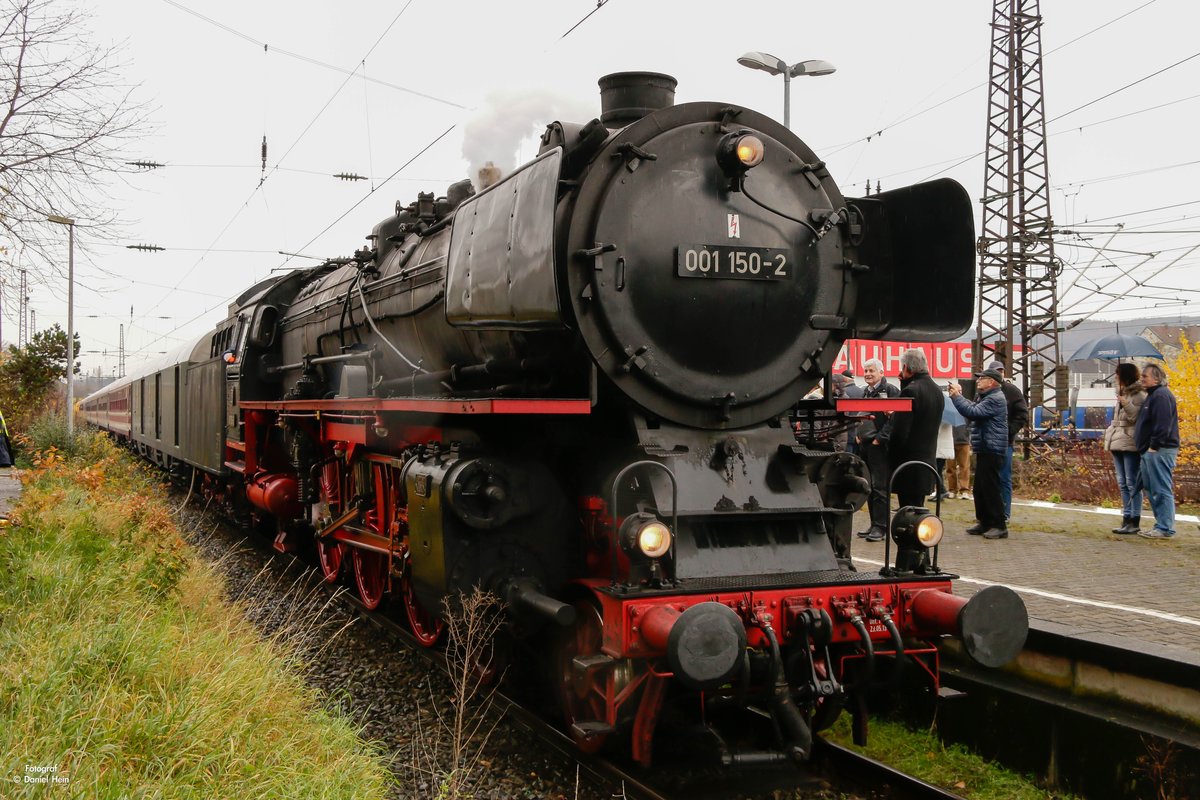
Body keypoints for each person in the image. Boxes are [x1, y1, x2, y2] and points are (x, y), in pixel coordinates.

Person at [949, 369, 1009, 539]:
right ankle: (985, 522)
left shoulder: (995, 398)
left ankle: (999, 525)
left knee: (990, 488)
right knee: (981, 489)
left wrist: (956, 397)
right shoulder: (986, 397)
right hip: (985, 447)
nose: (978, 381)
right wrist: (960, 396)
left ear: (992, 382)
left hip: (992, 448)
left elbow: (973, 412)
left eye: (982, 378)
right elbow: (974, 408)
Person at [888, 349, 943, 510]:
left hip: (908, 463)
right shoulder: (936, 389)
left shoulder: (910, 391)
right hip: (927, 459)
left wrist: (890, 451)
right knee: (918, 508)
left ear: (906, 367)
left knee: (908, 510)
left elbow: (900, 431)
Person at [856, 358, 900, 541]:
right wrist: (858, 434)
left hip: (879, 447)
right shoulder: (865, 392)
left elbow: (895, 419)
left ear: (881, 372)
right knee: (869, 487)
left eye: (871, 370)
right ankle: (874, 523)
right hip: (865, 445)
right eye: (866, 370)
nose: (868, 374)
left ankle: (881, 527)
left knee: (880, 487)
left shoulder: (890, 391)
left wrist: (879, 439)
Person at [1134, 363, 1179, 539]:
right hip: (1152, 450)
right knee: (1152, 488)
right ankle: (1160, 525)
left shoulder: (1161, 396)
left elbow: (1163, 424)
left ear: (1156, 378)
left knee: (1160, 488)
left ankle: (1165, 527)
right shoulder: (1153, 396)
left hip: (1159, 450)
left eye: (1145, 376)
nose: (1142, 379)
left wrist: (1154, 446)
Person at [1104, 363, 1146, 534]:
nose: (1115, 377)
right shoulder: (1121, 394)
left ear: (1125, 376)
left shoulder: (1139, 395)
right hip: (1117, 440)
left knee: (1132, 482)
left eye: (1118, 374)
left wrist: (1126, 404)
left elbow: (1137, 417)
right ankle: (1126, 518)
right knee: (1122, 482)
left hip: (1130, 442)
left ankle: (1135, 520)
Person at [988, 361, 1028, 521]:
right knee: (989, 479)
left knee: (1004, 478)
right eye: (997, 371)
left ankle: (1004, 513)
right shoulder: (984, 391)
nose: (1000, 373)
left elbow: (1022, 414)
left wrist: (1009, 431)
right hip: (988, 443)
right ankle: (990, 512)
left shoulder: (1012, 391)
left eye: (1001, 371)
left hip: (1005, 443)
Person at [841, 369, 864, 456]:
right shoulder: (862, 392)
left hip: (847, 434)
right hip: (860, 433)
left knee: (847, 459)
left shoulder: (843, 393)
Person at [947, 422, 972, 500]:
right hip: (950, 440)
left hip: (964, 441)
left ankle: (964, 490)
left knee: (964, 467)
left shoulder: (966, 414)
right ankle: (952, 490)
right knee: (950, 467)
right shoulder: (948, 415)